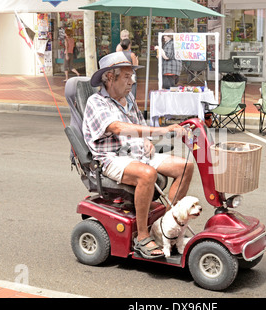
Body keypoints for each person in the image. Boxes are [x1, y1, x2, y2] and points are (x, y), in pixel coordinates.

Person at [82, 52, 193, 259]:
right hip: (111, 158)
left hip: (137, 153)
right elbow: (116, 127)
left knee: (186, 166)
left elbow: (139, 126)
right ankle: (142, 237)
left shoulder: (128, 99)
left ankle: (167, 227)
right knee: (147, 174)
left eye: (132, 76)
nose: (132, 81)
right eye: (126, 76)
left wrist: (147, 141)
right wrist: (160, 131)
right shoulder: (96, 102)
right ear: (109, 77)